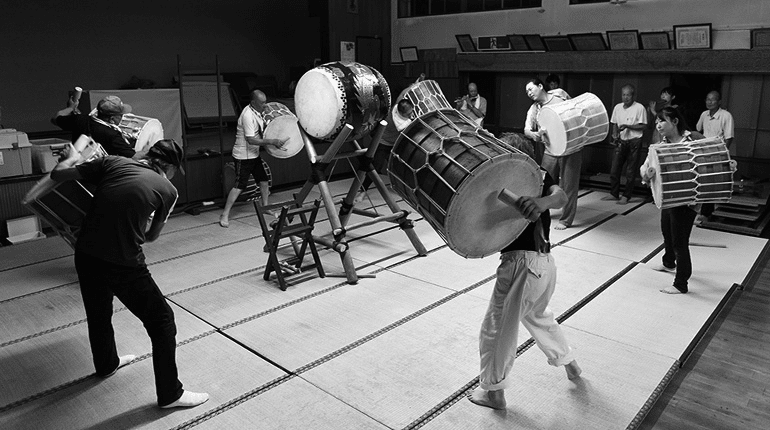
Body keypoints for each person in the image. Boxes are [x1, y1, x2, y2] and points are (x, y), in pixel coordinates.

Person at [49, 138, 209, 408]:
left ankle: (106, 364)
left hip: (85, 254)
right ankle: (171, 394)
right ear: (168, 167)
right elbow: (151, 237)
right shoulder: (168, 190)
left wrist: (70, 156)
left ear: (148, 154)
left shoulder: (112, 162)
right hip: (123, 263)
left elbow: (58, 174)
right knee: (162, 322)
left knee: (99, 313)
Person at [469, 137, 581, 411]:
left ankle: (493, 393)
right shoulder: (530, 176)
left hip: (521, 265)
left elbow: (560, 197)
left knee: (496, 329)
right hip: (544, 264)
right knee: (538, 317)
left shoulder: (531, 177)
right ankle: (570, 364)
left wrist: (542, 202)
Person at [640, 107, 699, 295]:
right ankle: (668, 262)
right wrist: (646, 174)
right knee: (667, 231)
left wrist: (729, 163)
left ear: (675, 121)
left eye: (662, 121)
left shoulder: (694, 138)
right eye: (656, 121)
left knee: (680, 241)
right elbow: (646, 167)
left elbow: (712, 156)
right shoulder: (660, 144)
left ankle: (681, 283)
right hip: (668, 197)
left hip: (688, 198)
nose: (658, 125)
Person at [219, 90, 286, 228]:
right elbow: (251, 140)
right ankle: (225, 214)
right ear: (253, 102)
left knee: (263, 180)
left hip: (254, 155)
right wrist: (272, 141)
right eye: (262, 103)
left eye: (265, 101)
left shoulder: (257, 110)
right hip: (243, 156)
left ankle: (265, 206)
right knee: (239, 186)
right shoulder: (247, 115)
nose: (265, 105)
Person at [523, 78, 579, 231]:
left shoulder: (559, 94)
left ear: (540, 86)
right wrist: (536, 135)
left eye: (530, 89)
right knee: (543, 181)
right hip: (551, 149)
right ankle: (541, 210)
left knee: (569, 185)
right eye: (527, 92)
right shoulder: (535, 108)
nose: (529, 93)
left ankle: (566, 220)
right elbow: (527, 130)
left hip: (571, 147)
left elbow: (575, 110)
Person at [354, 98, 415, 204]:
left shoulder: (397, 108)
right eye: (408, 114)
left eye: (411, 112)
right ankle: (362, 192)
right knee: (375, 167)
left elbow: (402, 96)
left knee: (400, 166)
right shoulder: (394, 121)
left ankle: (402, 189)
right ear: (400, 113)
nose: (411, 115)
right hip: (383, 143)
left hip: (395, 144)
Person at [694, 90, 734, 225]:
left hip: (717, 153)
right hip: (703, 152)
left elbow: (729, 137)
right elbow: (698, 129)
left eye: (713, 100)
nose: (709, 102)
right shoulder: (704, 114)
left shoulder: (726, 115)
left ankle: (706, 213)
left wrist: (722, 154)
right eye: (707, 99)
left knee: (711, 183)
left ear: (719, 101)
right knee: (701, 181)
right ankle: (698, 210)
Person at [603, 84, 648, 205]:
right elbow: (614, 123)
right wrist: (614, 135)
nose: (625, 97)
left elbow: (643, 126)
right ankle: (614, 193)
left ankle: (626, 195)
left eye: (628, 95)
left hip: (635, 141)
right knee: (615, 169)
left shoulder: (639, 108)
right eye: (623, 95)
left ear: (633, 95)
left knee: (630, 171)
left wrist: (628, 126)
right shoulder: (617, 107)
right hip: (621, 141)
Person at [53, 94, 137, 158]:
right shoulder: (112, 135)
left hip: (77, 168)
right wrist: (146, 150)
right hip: (102, 175)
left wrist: (71, 107)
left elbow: (55, 118)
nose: (122, 117)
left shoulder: (79, 120)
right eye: (121, 115)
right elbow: (134, 157)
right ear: (112, 118)